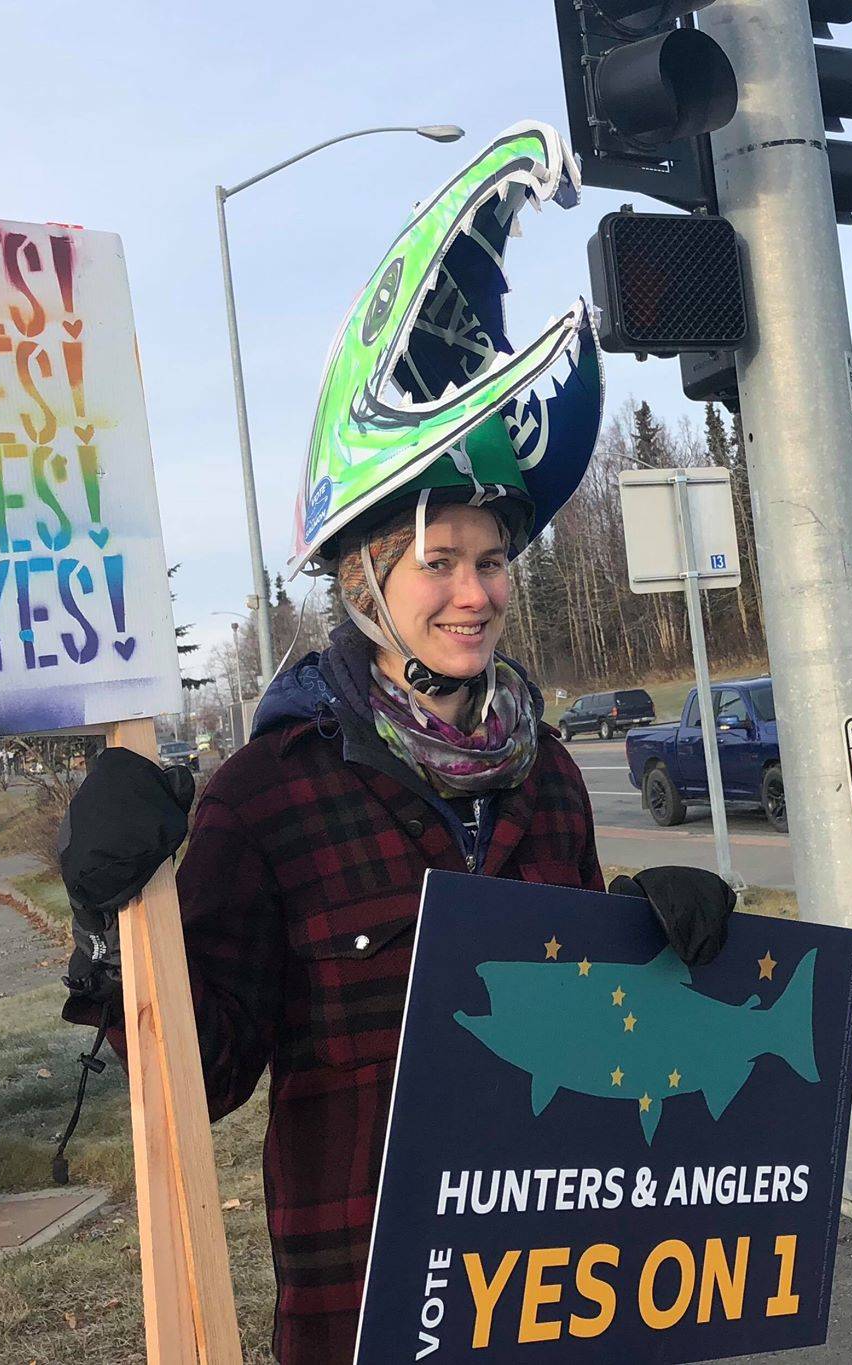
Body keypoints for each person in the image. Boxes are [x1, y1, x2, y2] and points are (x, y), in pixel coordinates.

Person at [54, 431, 735, 1360]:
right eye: (440, 562)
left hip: (553, 1296)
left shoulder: (549, 777)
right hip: (367, 1306)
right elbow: (202, 1078)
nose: (476, 593)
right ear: (365, 584)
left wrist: (654, 938)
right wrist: (112, 920)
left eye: (492, 562)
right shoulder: (265, 798)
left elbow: (588, 1034)